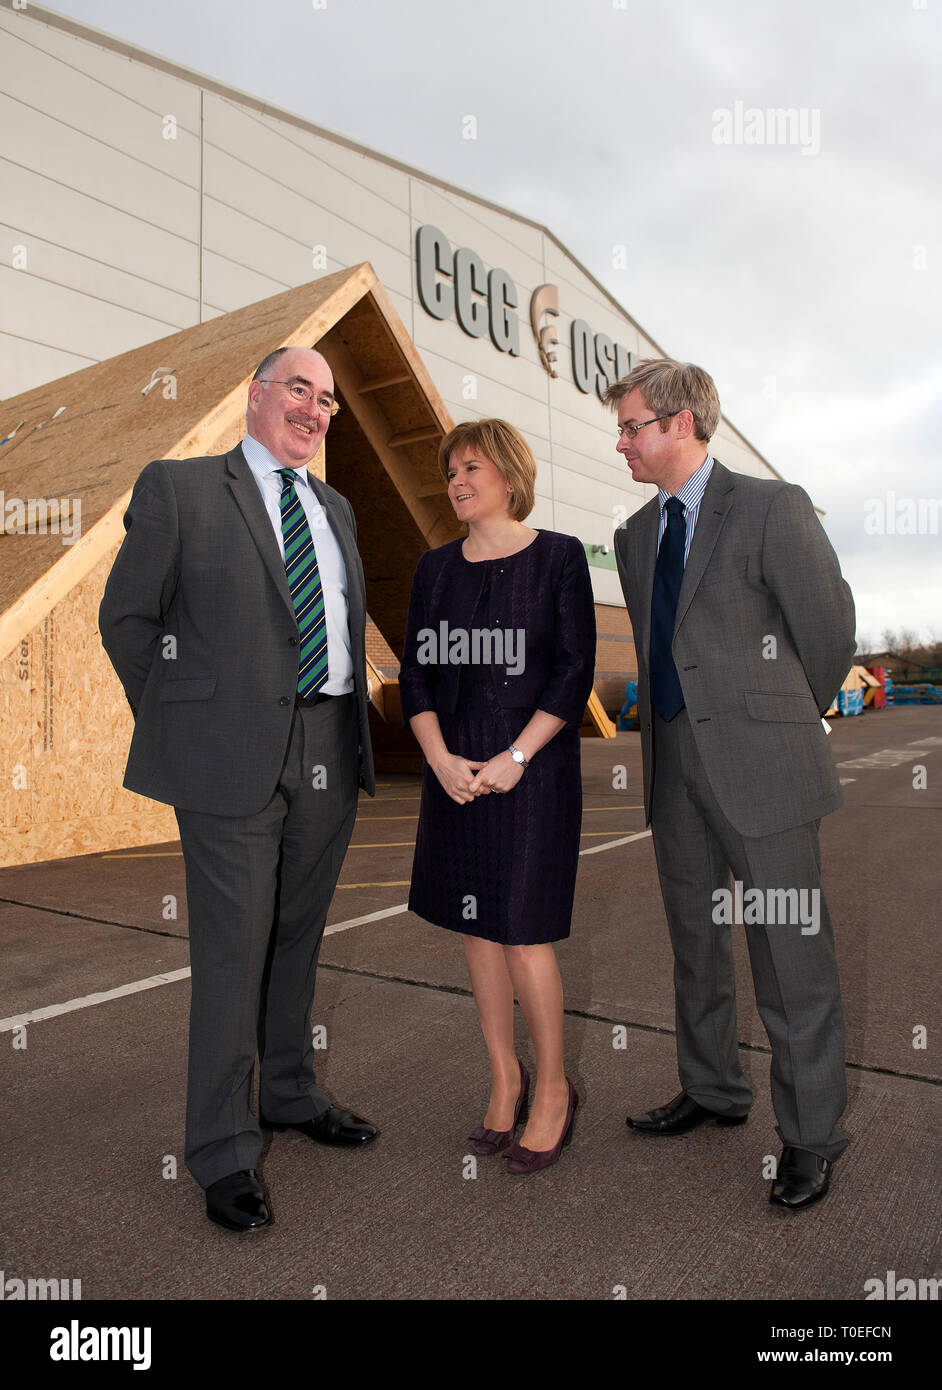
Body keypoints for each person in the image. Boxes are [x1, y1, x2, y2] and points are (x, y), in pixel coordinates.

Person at [99, 345, 378, 1232]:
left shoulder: (335, 507)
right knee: (231, 952)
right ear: (256, 395)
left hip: (330, 743)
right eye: (300, 388)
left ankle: (289, 1092)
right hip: (229, 760)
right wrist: (191, 722)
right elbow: (128, 620)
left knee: (297, 937)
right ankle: (222, 1150)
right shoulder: (180, 489)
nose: (315, 408)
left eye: (328, 399)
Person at [607, 359, 856, 1210]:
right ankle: (712, 1089)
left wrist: (783, 723)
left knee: (791, 960)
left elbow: (827, 631)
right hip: (673, 769)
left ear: (680, 423)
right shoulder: (636, 538)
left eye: (632, 426)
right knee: (695, 945)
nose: (622, 443)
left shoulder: (770, 508)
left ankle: (812, 1134)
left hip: (766, 772)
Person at [399, 419, 596, 1175]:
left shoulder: (558, 558)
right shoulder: (435, 570)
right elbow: (417, 677)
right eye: (450, 470)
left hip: (530, 767)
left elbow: (572, 672)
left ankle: (553, 1089)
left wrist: (515, 755)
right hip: (455, 769)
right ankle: (504, 1077)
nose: (457, 481)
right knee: (475, 928)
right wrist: (439, 758)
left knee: (522, 931)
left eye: (471, 467)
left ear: (509, 476)